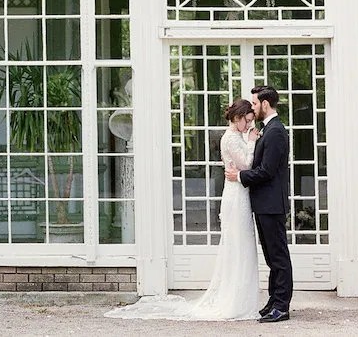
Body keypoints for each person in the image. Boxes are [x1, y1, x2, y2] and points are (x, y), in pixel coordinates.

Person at [105, 98, 260, 321]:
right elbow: (246, 164)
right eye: (247, 121)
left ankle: (242, 298)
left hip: (239, 194)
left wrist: (248, 138)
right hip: (236, 197)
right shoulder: (232, 139)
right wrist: (253, 142)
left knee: (242, 246)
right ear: (237, 119)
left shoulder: (237, 136)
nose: (249, 126)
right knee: (237, 246)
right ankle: (234, 301)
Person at [225, 85, 293, 323]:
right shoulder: (268, 129)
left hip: (272, 204)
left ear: (265, 104)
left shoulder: (275, 131)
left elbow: (266, 171)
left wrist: (240, 177)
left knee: (278, 257)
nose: (252, 107)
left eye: (254, 103)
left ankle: (282, 306)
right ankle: (274, 300)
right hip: (264, 204)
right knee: (271, 257)